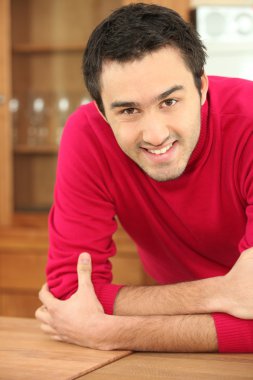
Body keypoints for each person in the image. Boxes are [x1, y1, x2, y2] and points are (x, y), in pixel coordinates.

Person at [35, 3, 253, 353]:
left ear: (201, 87)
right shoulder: (87, 134)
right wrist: (225, 293)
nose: (154, 134)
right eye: (128, 110)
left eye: (169, 101)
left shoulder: (249, 121)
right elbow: (71, 292)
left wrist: (113, 333)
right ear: (103, 112)